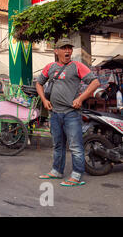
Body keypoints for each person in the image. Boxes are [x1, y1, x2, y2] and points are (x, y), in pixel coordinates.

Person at [36, 37, 100, 187]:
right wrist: (44, 100)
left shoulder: (77, 66)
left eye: (69, 48)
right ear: (56, 51)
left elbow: (95, 82)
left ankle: (77, 175)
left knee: (76, 146)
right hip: (55, 114)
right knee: (58, 145)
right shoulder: (50, 67)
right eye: (64, 48)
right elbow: (39, 83)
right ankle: (57, 171)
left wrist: (81, 98)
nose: (68, 51)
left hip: (71, 114)